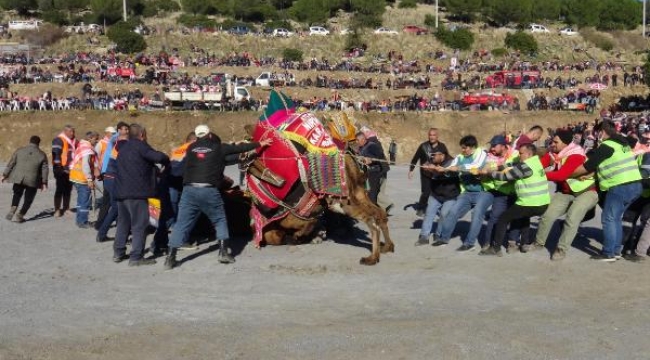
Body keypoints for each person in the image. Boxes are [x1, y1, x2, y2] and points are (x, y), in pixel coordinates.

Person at [164, 124, 272, 270]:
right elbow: (238, 149)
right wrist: (260, 144)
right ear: (209, 135)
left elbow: (206, 159)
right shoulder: (218, 147)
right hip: (208, 190)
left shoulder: (190, 148)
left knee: (182, 223)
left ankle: (170, 258)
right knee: (219, 219)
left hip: (189, 190)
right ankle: (223, 252)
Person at [571, 120, 642, 262]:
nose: (596, 136)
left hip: (620, 185)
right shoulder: (622, 145)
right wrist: (591, 175)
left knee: (608, 218)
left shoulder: (607, 146)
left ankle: (608, 253)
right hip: (635, 185)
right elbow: (609, 165)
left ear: (602, 132)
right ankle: (616, 251)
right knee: (615, 218)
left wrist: (569, 174)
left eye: (597, 133)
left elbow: (588, 166)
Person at [531, 129, 598, 260]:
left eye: (556, 142)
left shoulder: (576, 155)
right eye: (552, 141)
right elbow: (537, 166)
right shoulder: (554, 154)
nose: (552, 144)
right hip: (566, 191)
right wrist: (524, 169)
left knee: (572, 217)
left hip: (587, 192)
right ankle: (538, 243)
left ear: (565, 144)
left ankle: (561, 249)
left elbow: (562, 175)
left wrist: (540, 175)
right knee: (547, 215)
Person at [113, 124, 170, 266]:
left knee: (123, 224)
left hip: (121, 192)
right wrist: (166, 158)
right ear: (142, 134)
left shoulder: (123, 148)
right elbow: (158, 157)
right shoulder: (141, 146)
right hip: (138, 193)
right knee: (139, 225)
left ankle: (118, 252)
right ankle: (136, 257)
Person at [479, 143, 551, 256]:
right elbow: (513, 164)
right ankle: (524, 244)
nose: (519, 155)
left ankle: (495, 248)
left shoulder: (526, 167)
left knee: (503, 219)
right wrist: (496, 167)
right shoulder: (535, 162)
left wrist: (489, 172)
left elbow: (505, 177)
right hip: (543, 203)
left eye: (521, 153)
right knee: (524, 217)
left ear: (528, 154)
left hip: (530, 203)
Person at [433, 135, 491, 251]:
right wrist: (443, 170)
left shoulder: (481, 154)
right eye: (462, 148)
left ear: (472, 147)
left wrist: (459, 168)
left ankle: (469, 243)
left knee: (476, 215)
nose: (462, 150)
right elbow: (451, 168)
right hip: (467, 192)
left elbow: (475, 167)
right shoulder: (460, 157)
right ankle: (444, 238)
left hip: (483, 192)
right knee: (453, 212)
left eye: (465, 148)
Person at [481, 135, 520, 252]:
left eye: (494, 146)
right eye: (491, 146)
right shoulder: (490, 156)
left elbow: (516, 168)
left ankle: (512, 243)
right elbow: (488, 168)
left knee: (515, 217)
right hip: (501, 192)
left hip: (516, 192)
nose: (492, 148)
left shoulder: (516, 154)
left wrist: (497, 169)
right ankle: (488, 242)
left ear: (503, 146)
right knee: (494, 217)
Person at [415, 148, 459, 246]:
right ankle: (424, 236)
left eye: (434, 155)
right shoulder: (433, 160)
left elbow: (450, 173)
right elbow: (426, 167)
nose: (432, 157)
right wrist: (426, 168)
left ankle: (438, 234)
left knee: (444, 215)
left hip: (450, 195)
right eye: (431, 155)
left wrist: (437, 170)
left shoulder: (452, 162)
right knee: (429, 213)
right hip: (435, 194)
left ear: (442, 155)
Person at [1, 136, 48, 223]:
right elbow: (44, 170)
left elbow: (11, 163)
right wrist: (44, 182)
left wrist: (4, 175)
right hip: (32, 180)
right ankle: (20, 215)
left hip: (18, 178)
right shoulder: (42, 154)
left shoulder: (19, 150)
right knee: (28, 199)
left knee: (17, 194)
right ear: (38, 143)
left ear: (29, 141)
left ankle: (13, 208)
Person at [96, 122, 130, 242]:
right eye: (124, 129)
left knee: (114, 206)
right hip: (114, 178)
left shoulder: (115, 143)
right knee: (117, 207)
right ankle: (104, 233)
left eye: (127, 129)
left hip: (109, 177)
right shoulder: (121, 143)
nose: (126, 132)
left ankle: (103, 231)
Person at [409, 128, 448, 216]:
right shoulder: (423, 146)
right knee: (426, 192)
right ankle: (421, 208)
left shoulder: (442, 147)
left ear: (437, 136)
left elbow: (447, 158)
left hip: (437, 173)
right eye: (430, 135)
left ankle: (439, 209)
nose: (432, 137)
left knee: (438, 191)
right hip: (425, 174)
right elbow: (415, 158)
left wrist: (446, 169)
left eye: (434, 135)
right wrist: (411, 170)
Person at [69, 131, 100, 228]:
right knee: (85, 201)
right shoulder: (87, 149)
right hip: (82, 178)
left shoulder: (82, 145)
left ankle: (79, 220)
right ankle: (83, 222)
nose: (97, 141)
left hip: (75, 176)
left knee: (80, 201)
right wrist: (90, 179)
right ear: (90, 139)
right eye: (95, 139)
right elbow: (85, 165)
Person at [167, 131, 197, 228]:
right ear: (194, 140)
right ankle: (176, 225)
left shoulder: (179, 149)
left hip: (170, 178)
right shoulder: (192, 148)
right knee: (183, 204)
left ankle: (170, 223)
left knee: (173, 203)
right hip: (181, 179)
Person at [356, 131, 389, 206]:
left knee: (372, 193)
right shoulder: (361, 147)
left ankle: (375, 211)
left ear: (363, 139)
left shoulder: (372, 145)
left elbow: (379, 155)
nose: (356, 142)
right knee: (370, 193)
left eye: (357, 140)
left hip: (375, 172)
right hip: (368, 172)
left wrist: (370, 159)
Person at [52, 125, 78, 217]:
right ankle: (57, 209)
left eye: (73, 132)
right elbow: (56, 154)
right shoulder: (58, 140)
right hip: (60, 169)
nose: (72, 133)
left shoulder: (75, 141)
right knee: (59, 189)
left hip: (71, 169)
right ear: (65, 131)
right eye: (71, 131)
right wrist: (59, 167)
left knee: (68, 189)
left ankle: (66, 208)